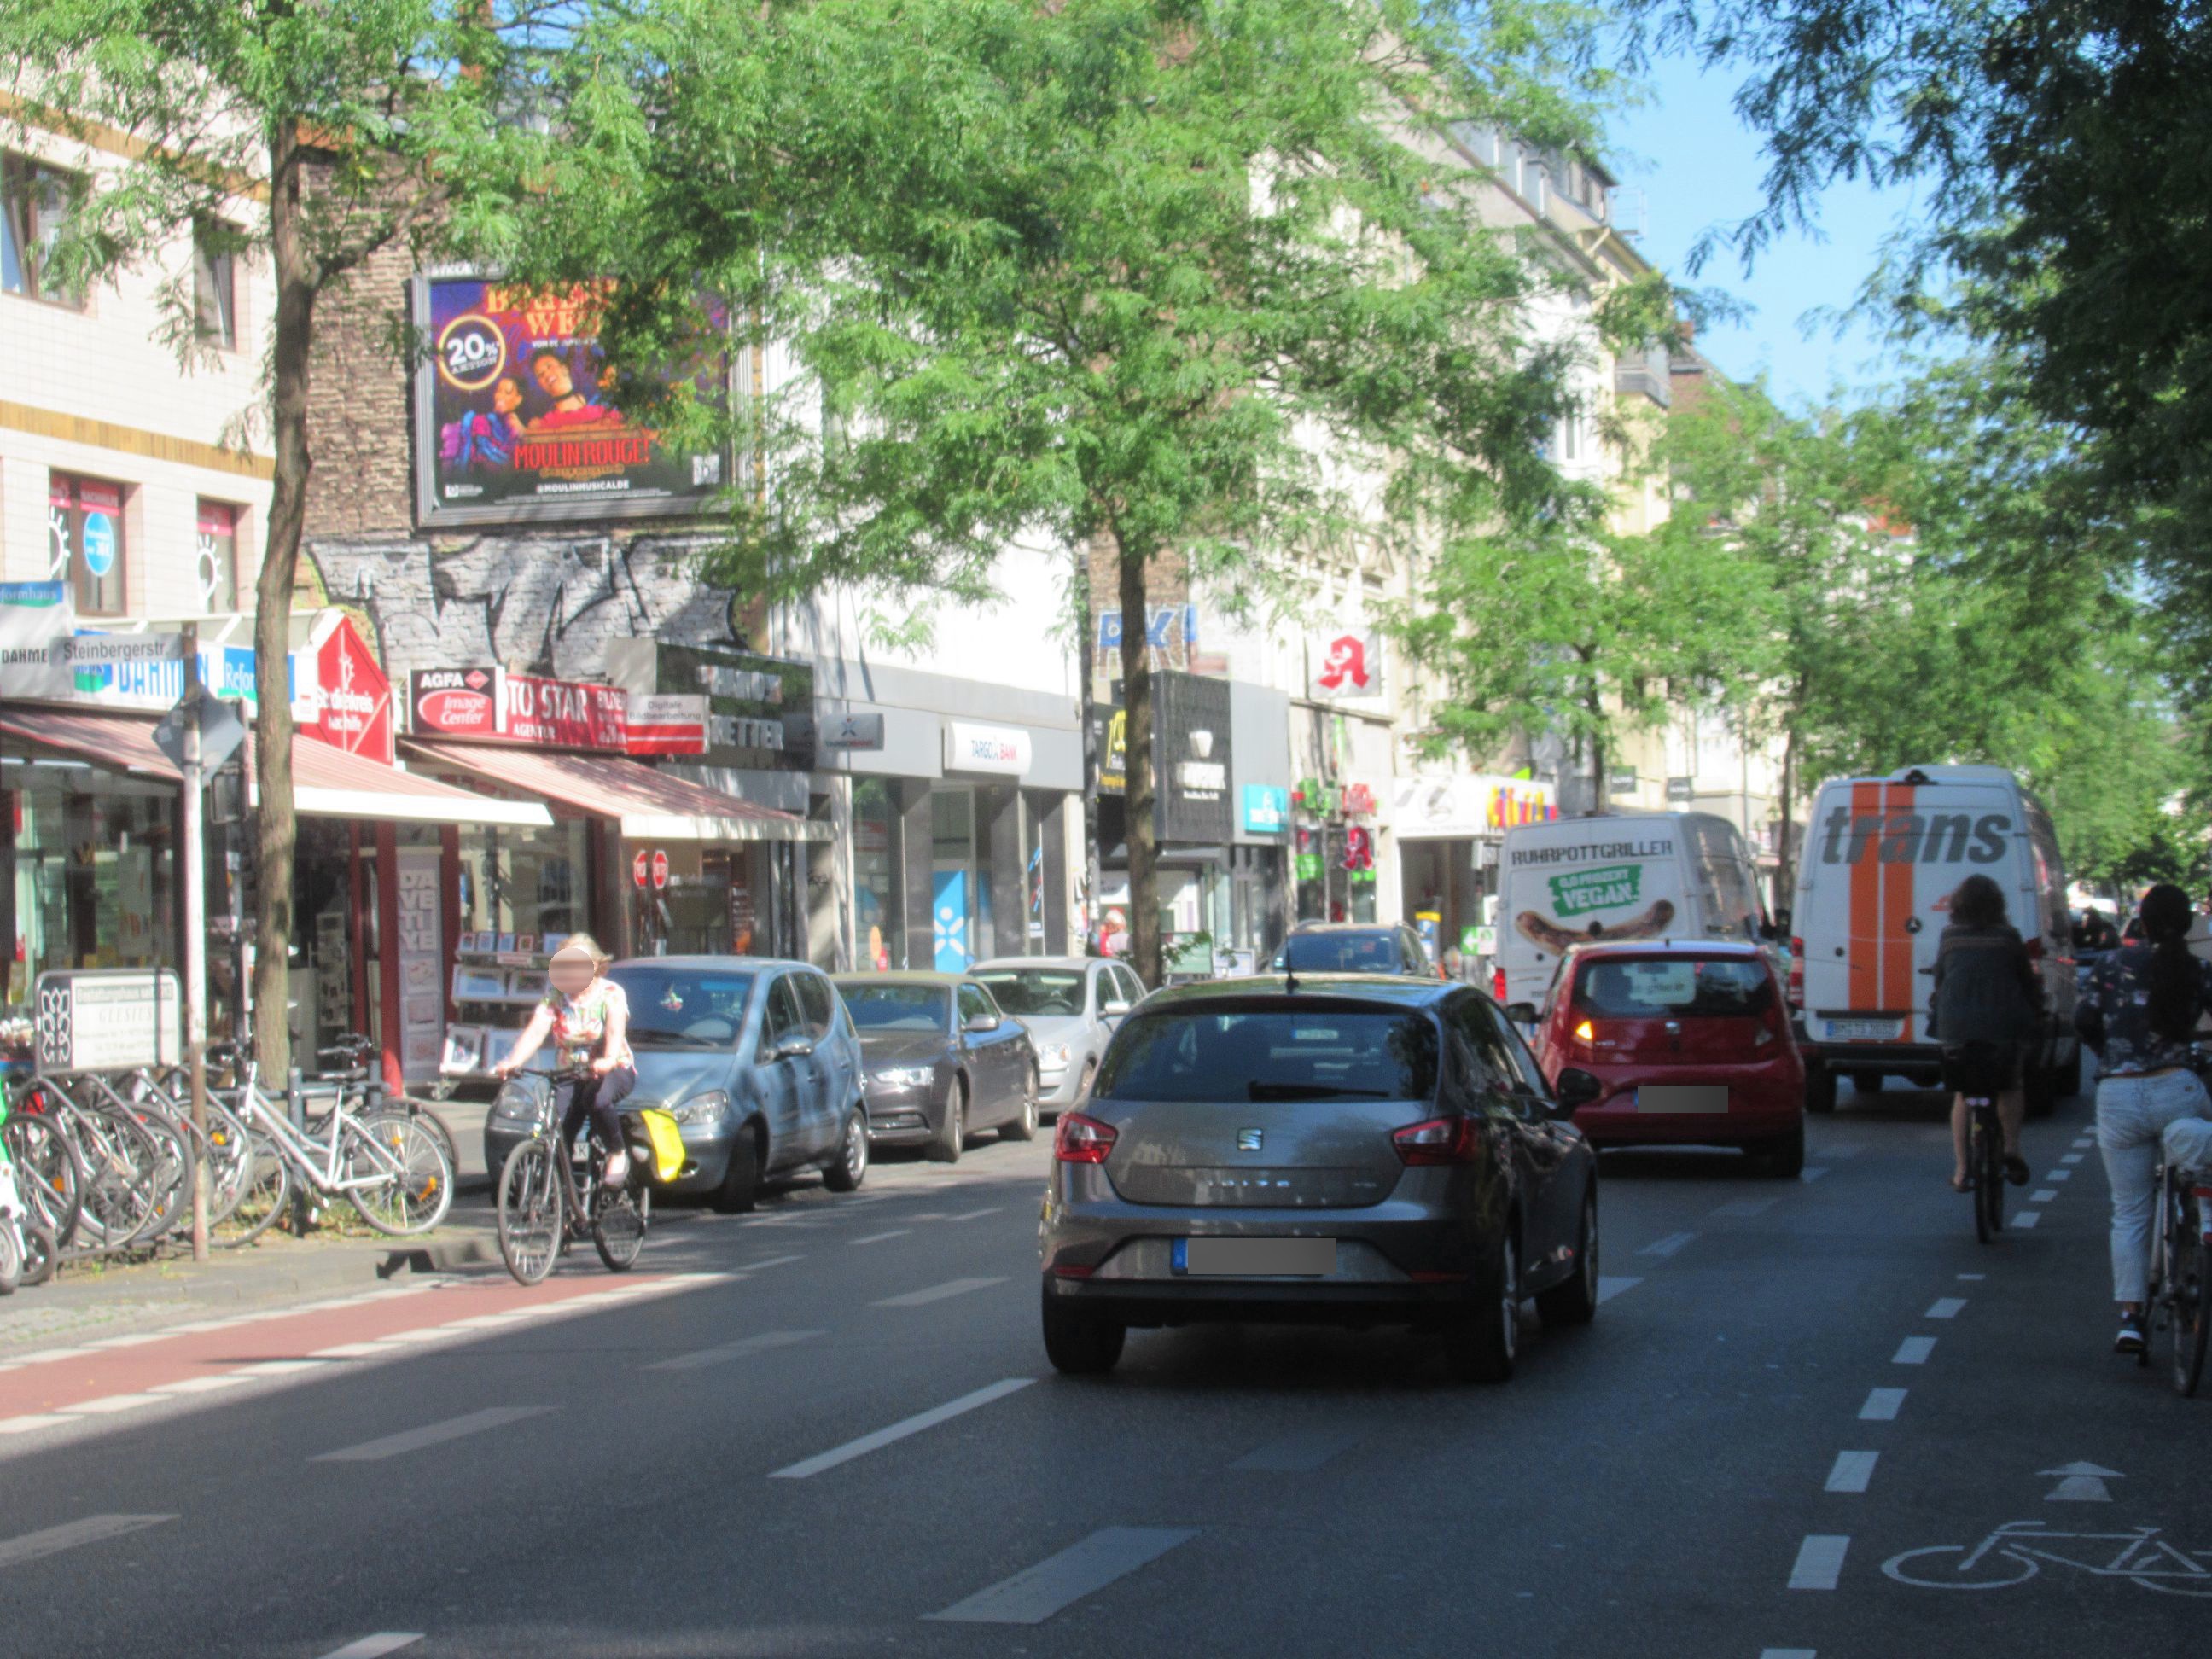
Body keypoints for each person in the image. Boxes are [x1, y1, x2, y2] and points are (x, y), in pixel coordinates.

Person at [2075, 882, 2212, 1355]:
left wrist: (2111, 1056)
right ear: (2188, 926)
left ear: (2143, 924)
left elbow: (2084, 1020)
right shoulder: (2197, 970)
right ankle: (2200, 1220)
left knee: (2130, 1209)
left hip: (2119, 1095)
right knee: (2198, 1154)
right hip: (2177, 1087)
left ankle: (2131, 1317)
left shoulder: (2111, 964)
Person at [493, 936, 637, 1185]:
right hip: (570, 1072)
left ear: (594, 965)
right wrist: (512, 1061)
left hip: (611, 1069)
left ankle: (617, 1152)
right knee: (558, 1129)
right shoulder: (556, 996)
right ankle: (561, 1195)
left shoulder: (611, 993)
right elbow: (536, 1032)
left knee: (596, 1100)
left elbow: (615, 1032)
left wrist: (609, 1059)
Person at [1930, 874, 2041, 1194]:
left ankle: (1962, 1169)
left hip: (1956, 1027)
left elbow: (1940, 979)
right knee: (2010, 1085)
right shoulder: (2009, 937)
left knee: (1963, 1095)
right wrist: (2034, 1013)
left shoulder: (1950, 937)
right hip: (2003, 1027)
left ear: (1958, 906)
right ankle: (2012, 1150)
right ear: (1997, 904)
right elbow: (2026, 981)